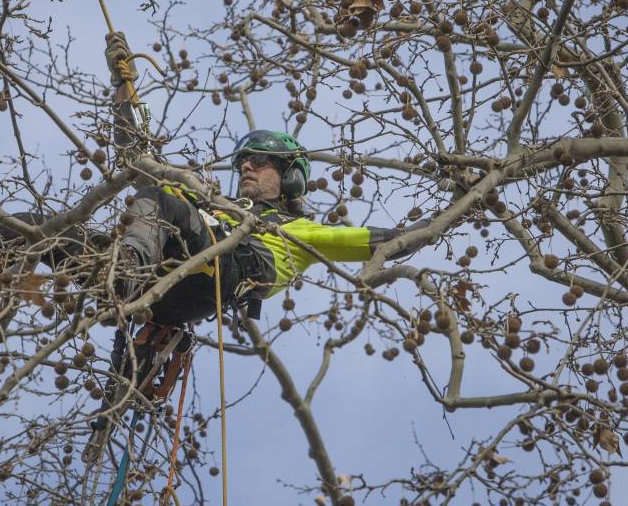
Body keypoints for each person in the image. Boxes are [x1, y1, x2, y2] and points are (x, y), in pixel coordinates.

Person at [105, 33, 429, 327]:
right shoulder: (210, 206)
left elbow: (391, 241)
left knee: (164, 200)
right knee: (75, 239)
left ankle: (126, 269)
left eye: (260, 162)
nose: (247, 167)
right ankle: (111, 269)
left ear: (288, 176)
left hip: (223, 274)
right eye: (244, 162)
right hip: (165, 292)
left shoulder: (300, 231)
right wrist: (122, 88)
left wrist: (456, 210)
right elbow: (139, 165)